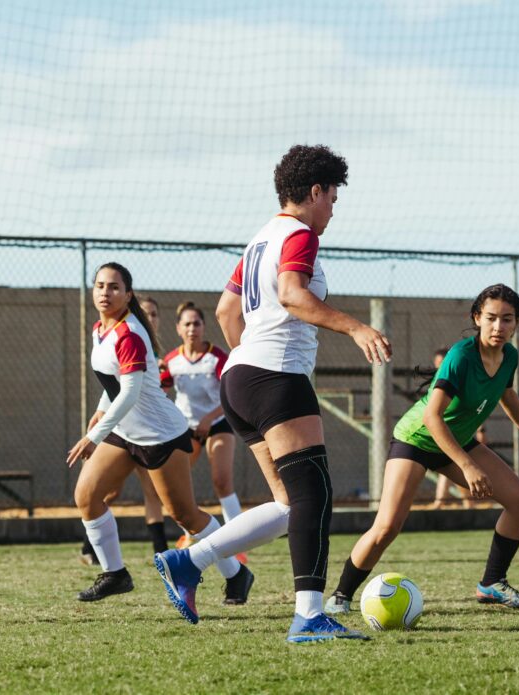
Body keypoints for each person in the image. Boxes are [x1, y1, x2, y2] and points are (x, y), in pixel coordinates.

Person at [154, 144, 391, 643]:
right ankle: (309, 615)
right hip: (273, 376)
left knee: (289, 503)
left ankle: (190, 560)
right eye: (332, 196)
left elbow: (225, 311)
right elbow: (291, 294)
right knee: (315, 495)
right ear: (314, 191)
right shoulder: (300, 233)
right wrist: (356, 329)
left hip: (240, 377)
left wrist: (249, 362)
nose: (333, 207)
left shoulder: (260, 238)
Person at [326, 284, 519, 615]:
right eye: (491, 318)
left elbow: (507, 394)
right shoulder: (461, 356)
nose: (499, 327)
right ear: (477, 318)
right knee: (387, 527)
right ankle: (340, 596)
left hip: (456, 438)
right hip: (417, 438)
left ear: (517, 323)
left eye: (507, 320)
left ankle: (492, 583)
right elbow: (431, 417)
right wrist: (467, 465)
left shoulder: (510, 356)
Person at [67, 263, 252, 608]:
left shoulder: (130, 334)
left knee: (185, 515)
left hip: (161, 436)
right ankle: (115, 574)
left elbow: (132, 391)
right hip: (124, 432)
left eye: (114, 287)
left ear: (128, 294)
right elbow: (115, 385)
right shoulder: (99, 329)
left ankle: (236, 573)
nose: (105, 293)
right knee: (87, 496)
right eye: (100, 286)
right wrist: (101, 409)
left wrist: (94, 434)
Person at [78, 297, 171, 564]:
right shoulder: (125, 338)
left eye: (155, 314)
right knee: (104, 491)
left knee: (156, 493)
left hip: (150, 432)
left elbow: (143, 392)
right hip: (122, 430)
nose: (150, 318)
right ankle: (91, 549)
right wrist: (100, 413)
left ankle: (161, 551)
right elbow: (119, 390)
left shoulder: (155, 353)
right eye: (147, 313)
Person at [160, 302, 244, 553]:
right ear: (178, 328)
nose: (192, 328)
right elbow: (161, 391)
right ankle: (191, 535)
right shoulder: (171, 360)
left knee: (221, 480)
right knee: (179, 483)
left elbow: (230, 396)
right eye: (187, 323)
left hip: (218, 422)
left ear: (204, 327)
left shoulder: (216, 357)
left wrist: (210, 418)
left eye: (197, 323)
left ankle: (238, 541)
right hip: (185, 426)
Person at [431, 348, 477, 509]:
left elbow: (472, 407)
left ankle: (465, 503)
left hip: (460, 434)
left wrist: (481, 431)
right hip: (441, 434)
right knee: (448, 468)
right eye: (436, 364)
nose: (439, 367)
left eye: (441, 364)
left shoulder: (460, 380)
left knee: (455, 467)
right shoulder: (437, 383)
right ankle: (444, 502)